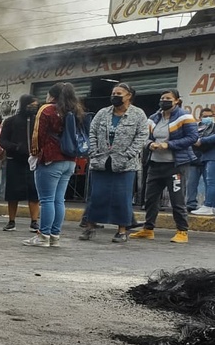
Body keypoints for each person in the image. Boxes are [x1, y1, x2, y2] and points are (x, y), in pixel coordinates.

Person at [82, 83, 146, 243]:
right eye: (113, 93)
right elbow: (92, 132)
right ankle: (90, 227)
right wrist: (94, 152)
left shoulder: (138, 114)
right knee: (96, 196)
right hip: (101, 162)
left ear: (129, 95)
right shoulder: (103, 113)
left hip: (125, 164)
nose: (115, 96)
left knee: (122, 198)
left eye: (119, 93)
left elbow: (142, 136)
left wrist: (128, 154)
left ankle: (122, 231)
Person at [131, 89, 197, 243]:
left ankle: (182, 231)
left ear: (177, 101)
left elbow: (192, 137)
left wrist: (169, 145)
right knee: (150, 199)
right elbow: (144, 137)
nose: (164, 101)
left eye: (168, 98)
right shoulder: (154, 118)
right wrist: (150, 144)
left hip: (175, 165)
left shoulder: (184, 117)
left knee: (177, 199)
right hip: (155, 164)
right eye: (162, 98)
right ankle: (148, 229)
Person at [23, 82, 81, 247]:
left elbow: (37, 135)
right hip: (69, 159)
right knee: (59, 199)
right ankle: (54, 235)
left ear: (52, 95)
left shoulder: (47, 109)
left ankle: (43, 236)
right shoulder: (74, 110)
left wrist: (34, 154)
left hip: (50, 158)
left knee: (47, 200)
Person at [0, 95, 40, 232]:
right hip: (14, 161)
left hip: (32, 162)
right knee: (13, 193)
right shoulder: (11, 121)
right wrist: (16, 147)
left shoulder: (38, 121)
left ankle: (34, 222)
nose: (34, 107)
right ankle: (11, 221)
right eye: (31, 105)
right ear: (24, 105)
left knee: (34, 192)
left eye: (35, 105)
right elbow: (2, 141)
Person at [186, 106, 214, 216]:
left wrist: (202, 141)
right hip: (195, 159)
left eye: (210, 116)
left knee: (210, 183)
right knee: (191, 183)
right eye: (205, 116)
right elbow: (189, 140)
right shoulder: (195, 127)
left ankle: (209, 205)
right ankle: (192, 204)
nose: (208, 118)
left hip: (209, 157)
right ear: (200, 117)